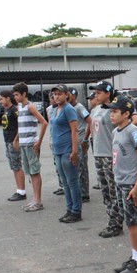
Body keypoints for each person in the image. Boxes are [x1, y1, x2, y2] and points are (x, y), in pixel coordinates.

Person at [109, 96, 137, 273]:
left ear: (126, 114)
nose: (111, 115)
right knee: (128, 221)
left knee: (133, 222)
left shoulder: (132, 131)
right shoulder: (116, 131)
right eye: (110, 111)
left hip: (130, 184)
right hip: (120, 182)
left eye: (115, 111)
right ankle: (135, 256)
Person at [89, 81, 124, 238]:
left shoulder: (114, 111)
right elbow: (92, 127)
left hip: (110, 155)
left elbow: (131, 122)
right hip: (98, 154)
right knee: (105, 191)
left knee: (113, 190)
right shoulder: (96, 109)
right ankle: (111, 219)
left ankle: (117, 222)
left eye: (99, 93)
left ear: (108, 93)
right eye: (95, 93)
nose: (96, 95)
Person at [12, 82, 48, 212]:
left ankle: (38, 201)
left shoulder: (30, 107)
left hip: (31, 144)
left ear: (24, 94)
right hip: (23, 144)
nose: (15, 97)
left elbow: (44, 122)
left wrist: (39, 142)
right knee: (30, 173)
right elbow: (20, 126)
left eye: (16, 94)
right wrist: (16, 139)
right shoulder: (20, 107)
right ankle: (34, 199)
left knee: (35, 172)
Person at [50, 84, 81, 223]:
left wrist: (74, 151)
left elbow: (75, 130)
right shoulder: (56, 109)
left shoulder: (69, 109)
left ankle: (76, 211)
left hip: (67, 150)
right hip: (58, 151)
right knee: (65, 182)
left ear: (66, 95)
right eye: (55, 94)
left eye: (59, 94)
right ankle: (69, 209)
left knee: (72, 181)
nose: (57, 96)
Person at [0, 90, 26, 202]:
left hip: (13, 141)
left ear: (7, 98)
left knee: (17, 166)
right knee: (13, 166)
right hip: (8, 141)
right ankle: (19, 190)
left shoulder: (14, 110)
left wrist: (16, 140)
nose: (0, 101)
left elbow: (21, 125)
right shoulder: (6, 110)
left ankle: (22, 191)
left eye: (1, 99)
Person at [68, 88, 91, 203]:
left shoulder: (79, 107)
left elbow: (90, 121)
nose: (68, 96)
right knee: (76, 167)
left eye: (70, 94)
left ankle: (84, 193)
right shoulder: (68, 108)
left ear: (75, 96)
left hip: (81, 139)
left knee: (82, 167)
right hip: (73, 141)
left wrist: (85, 139)